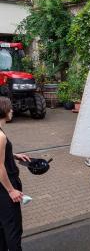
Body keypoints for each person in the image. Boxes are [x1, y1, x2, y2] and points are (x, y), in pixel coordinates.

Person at [0, 97, 30, 251]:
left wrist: (14, 155)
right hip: (5, 188)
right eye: (9, 108)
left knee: (2, 228)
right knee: (13, 228)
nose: (12, 111)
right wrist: (11, 190)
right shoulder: (1, 136)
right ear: (3, 111)